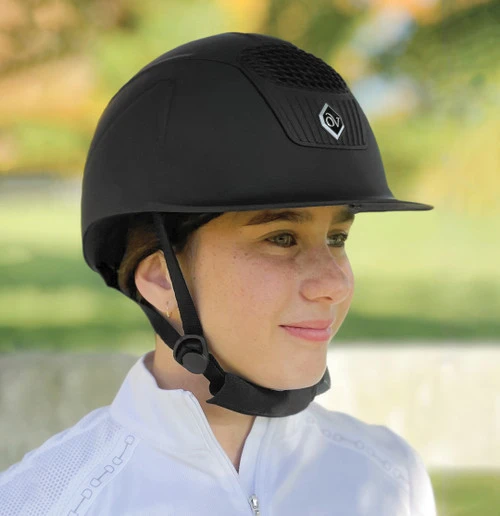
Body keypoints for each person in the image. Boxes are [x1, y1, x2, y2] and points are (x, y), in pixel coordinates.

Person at [0, 32, 437, 515]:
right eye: (282, 239)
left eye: (337, 238)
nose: (334, 285)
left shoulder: (389, 479)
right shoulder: (42, 503)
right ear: (162, 279)